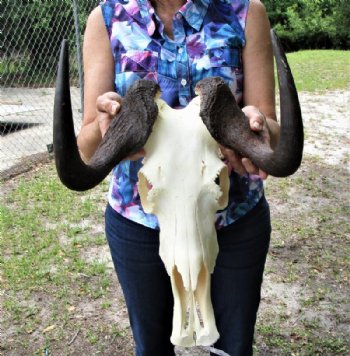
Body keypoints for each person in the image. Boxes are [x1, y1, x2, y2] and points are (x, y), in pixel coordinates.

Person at [77, 0, 280, 355]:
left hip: (235, 218)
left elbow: (273, 131)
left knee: (233, 345)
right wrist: (107, 122)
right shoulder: (106, 20)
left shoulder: (245, 12)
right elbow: (87, 147)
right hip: (140, 221)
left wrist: (252, 124)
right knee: (152, 346)